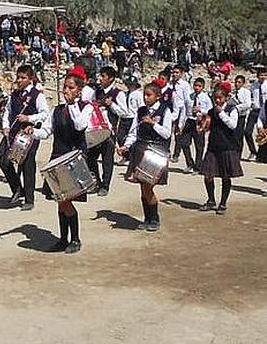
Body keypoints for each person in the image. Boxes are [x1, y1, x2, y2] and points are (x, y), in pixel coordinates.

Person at [35, 66, 92, 253]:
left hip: (74, 158)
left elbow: (79, 125)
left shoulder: (86, 107)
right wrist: (32, 131)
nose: (66, 91)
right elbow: (46, 131)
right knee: (60, 201)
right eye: (65, 87)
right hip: (58, 157)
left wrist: (73, 104)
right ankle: (63, 238)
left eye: (71, 88)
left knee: (66, 201)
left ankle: (75, 239)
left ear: (79, 90)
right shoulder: (57, 110)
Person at [118, 79, 175, 231]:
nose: (145, 98)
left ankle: (154, 218)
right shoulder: (141, 111)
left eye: (149, 95)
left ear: (157, 96)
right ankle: (147, 218)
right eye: (144, 95)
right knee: (143, 186)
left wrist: (153, 123)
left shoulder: (165, 110)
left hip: (156, 151)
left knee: (149, 186)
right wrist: (126, 146)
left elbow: (167, 133)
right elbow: (133, 132)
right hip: (141, 149)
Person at [0, 65, 50, 210]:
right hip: (13, 132)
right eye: (18, 77)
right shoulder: (14, 94)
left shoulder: (37, 95)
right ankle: (17, 188)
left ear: (31, 79)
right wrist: (5, 126)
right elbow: (7, 112)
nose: (19, 80)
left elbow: (44, 113)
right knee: (4, 161)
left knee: (28, 164)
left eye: (23, 78)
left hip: (30, 132)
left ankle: (29, 199)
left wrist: (28, 118)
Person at [199, 83, 242, 215]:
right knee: (208, 175)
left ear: (226, 98)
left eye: (219, 98)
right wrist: (201, 122)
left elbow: (233, 125)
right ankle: (211, 199)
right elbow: (207, 126)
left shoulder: (231, 109)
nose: (217, 100)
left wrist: (222, 113)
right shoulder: (211, 111)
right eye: (215, 98)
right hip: (213, 145)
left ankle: (223, 203)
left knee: (225, 176)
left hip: (227, 146)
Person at [89, 66, 129, 195]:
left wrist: (112, 105)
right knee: (91, 157)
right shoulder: (96, 92)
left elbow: (124, 113)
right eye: (100, 76)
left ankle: (105, 185)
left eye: (103, 76)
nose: (100, 79)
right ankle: (96, 181)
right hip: (96, 130)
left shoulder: (118, 93)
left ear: (111, 78)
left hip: (110, 131)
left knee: (107, 159)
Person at [176, 77, 211, 174]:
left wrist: (201, 110)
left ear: (203, 87)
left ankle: (198, 166)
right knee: (184, 143)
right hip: (189, 121)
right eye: (195, 85)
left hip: (199, 122)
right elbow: (184, 110)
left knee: (199, 146)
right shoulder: (189, 96)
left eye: (199, 86)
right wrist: (180, 123)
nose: (197, 88)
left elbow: (210, 110)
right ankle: (189, 163)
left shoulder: (205, 98)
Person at [244, 68, 267, 160]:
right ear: (258, 76)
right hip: (255, 110)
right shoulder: (253, 86)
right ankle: (253, 151)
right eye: (261, 75)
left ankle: (263, 154)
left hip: (264, 110)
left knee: (263, 132)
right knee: (247, 132)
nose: (263, 77)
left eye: (264, 75)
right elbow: (251, 97)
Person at [232, 75, 253, 156]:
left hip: (241, 115)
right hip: (233, 116)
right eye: (236, 82)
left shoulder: (246, 92)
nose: (237, 84)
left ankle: (238, 153)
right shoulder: (233, 92)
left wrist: (237, 107)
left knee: (239, 135)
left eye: (239, 82)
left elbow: (247, 104)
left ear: (243, 83)